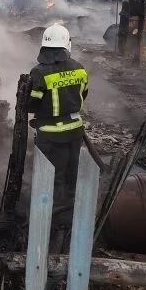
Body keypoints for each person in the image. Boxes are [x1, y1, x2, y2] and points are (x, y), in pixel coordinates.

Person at [28, 24, 88, 200]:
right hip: (75, 130)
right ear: (67, 44)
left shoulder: (39, 72)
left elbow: (31, 104)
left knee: (52, 176)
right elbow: (83, 93)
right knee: (72, 172)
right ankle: (71, 207)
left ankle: (52, 210)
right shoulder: (79, 68)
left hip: (49, 134)